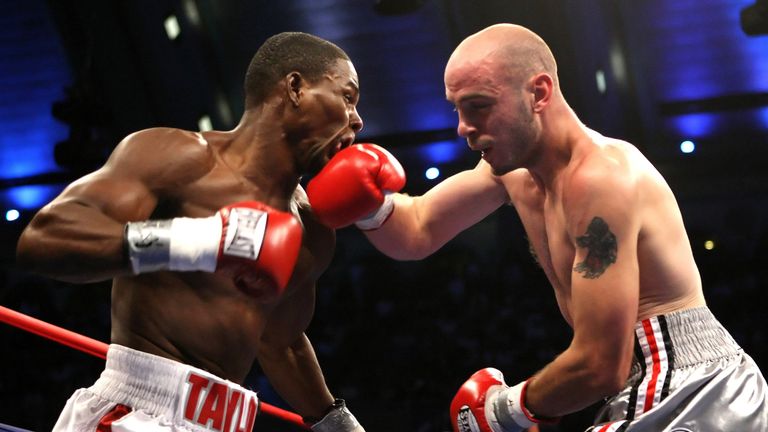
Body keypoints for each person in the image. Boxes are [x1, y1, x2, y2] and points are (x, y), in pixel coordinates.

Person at [305, 23, 768, 431]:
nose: (463, 128)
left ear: (539, 93)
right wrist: (364, 202)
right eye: (457, 110)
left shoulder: (599, 179)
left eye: (479, 106)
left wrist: (502, 408)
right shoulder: (512, 172)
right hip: (644, 385)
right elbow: (417, 230)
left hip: (691, 387)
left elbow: (600, 364)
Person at [16, 32, 367, 432]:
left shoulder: (314, 230)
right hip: (135, 411)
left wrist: (338, 425)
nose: (357, 119)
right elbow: (43, 238)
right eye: (348, 96)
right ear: (295, 88)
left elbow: (280, 341)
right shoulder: (179, 158)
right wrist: (195, 241)